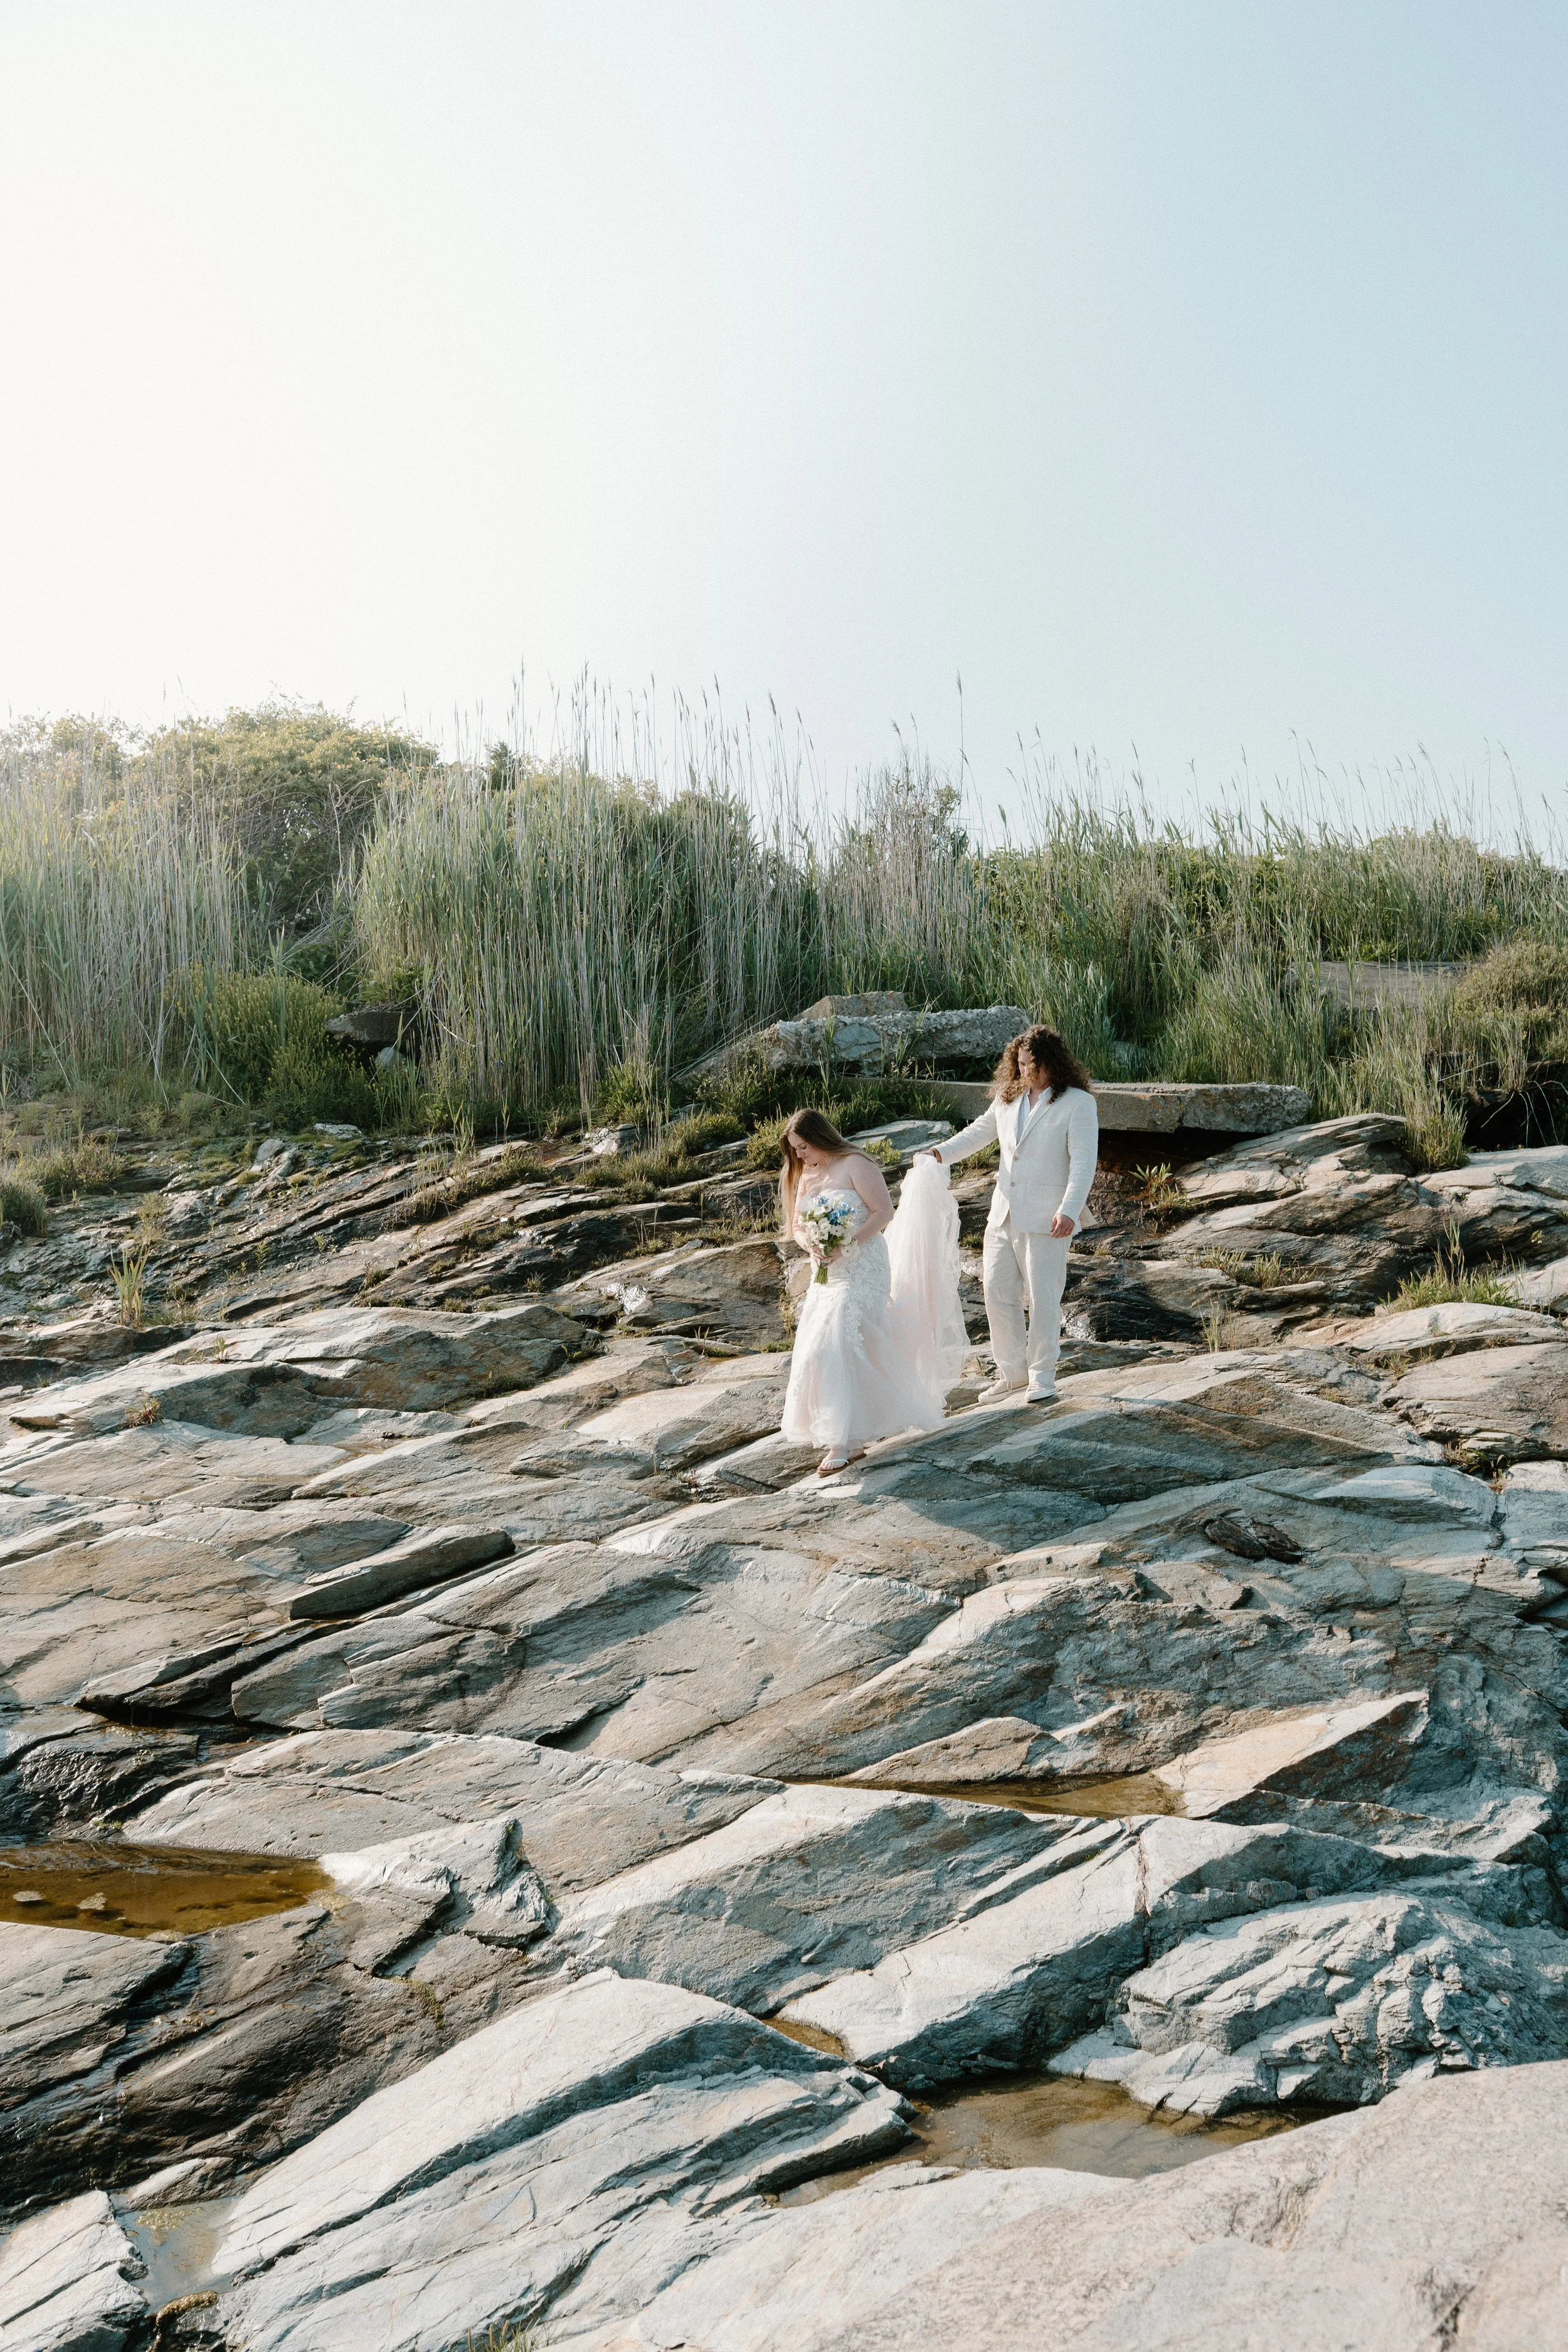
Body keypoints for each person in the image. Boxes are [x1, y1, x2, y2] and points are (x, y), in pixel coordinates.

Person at [780, 1106, 968, 1476]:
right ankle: (852, 1430)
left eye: (803, 1147)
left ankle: (845, 1442)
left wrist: (845, 1241)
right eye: (796, 1149)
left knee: (841, 1337)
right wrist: (811, 1245)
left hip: (864, 1266)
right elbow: (799, 1226)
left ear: (819, 1138)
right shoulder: (806, 1175)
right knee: (819, 1346)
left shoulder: (857, 1163)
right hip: (827, 1271)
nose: (799, 1155)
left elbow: (883, 1212)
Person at [919, 1023, 1097, 1405]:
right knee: (997, 1292)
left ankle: (1042, 1376)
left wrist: (1068, 1210)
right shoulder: (1006, 1097)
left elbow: (1084, 1164)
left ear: (1050, 1064)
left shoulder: (1078, 1103)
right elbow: (977, 1134)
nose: (1021, 1071)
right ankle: (1012, 1374)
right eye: (1017, 1063)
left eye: (1029, 1064)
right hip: (1002, 1214)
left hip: (1049, 1219)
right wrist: (938, 1153)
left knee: (1043, 1298)